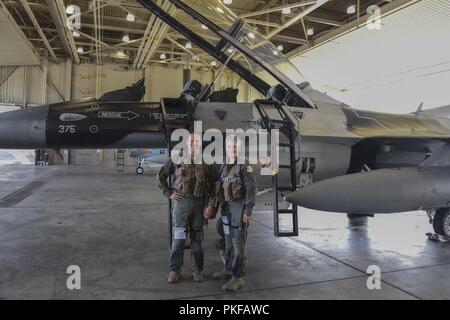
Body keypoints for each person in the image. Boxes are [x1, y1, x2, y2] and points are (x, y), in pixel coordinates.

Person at [157, 133, 217, 284]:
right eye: (191, 142)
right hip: (181, 204)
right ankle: (174, 270)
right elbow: (160, 176)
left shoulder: (206, 161)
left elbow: (215, 185)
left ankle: (198, 270)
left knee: (197, 240)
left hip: (199, 205)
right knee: (178, 240)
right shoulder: (177, 158)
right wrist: (169, 193)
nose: (193, 144)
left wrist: (211, 204)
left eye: (196, 142)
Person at [210, 135, 256, 292]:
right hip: (226, 209)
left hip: (238, 209)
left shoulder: (245, 166)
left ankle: (238, 277)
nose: (233, 149)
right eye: (230, 146)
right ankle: (228, 268)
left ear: (240, 149)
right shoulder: (225, 165)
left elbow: (251, 189)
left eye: (235, 147)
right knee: (228, 239)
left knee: (238, 243)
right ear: (227, 148)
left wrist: (248, 211)